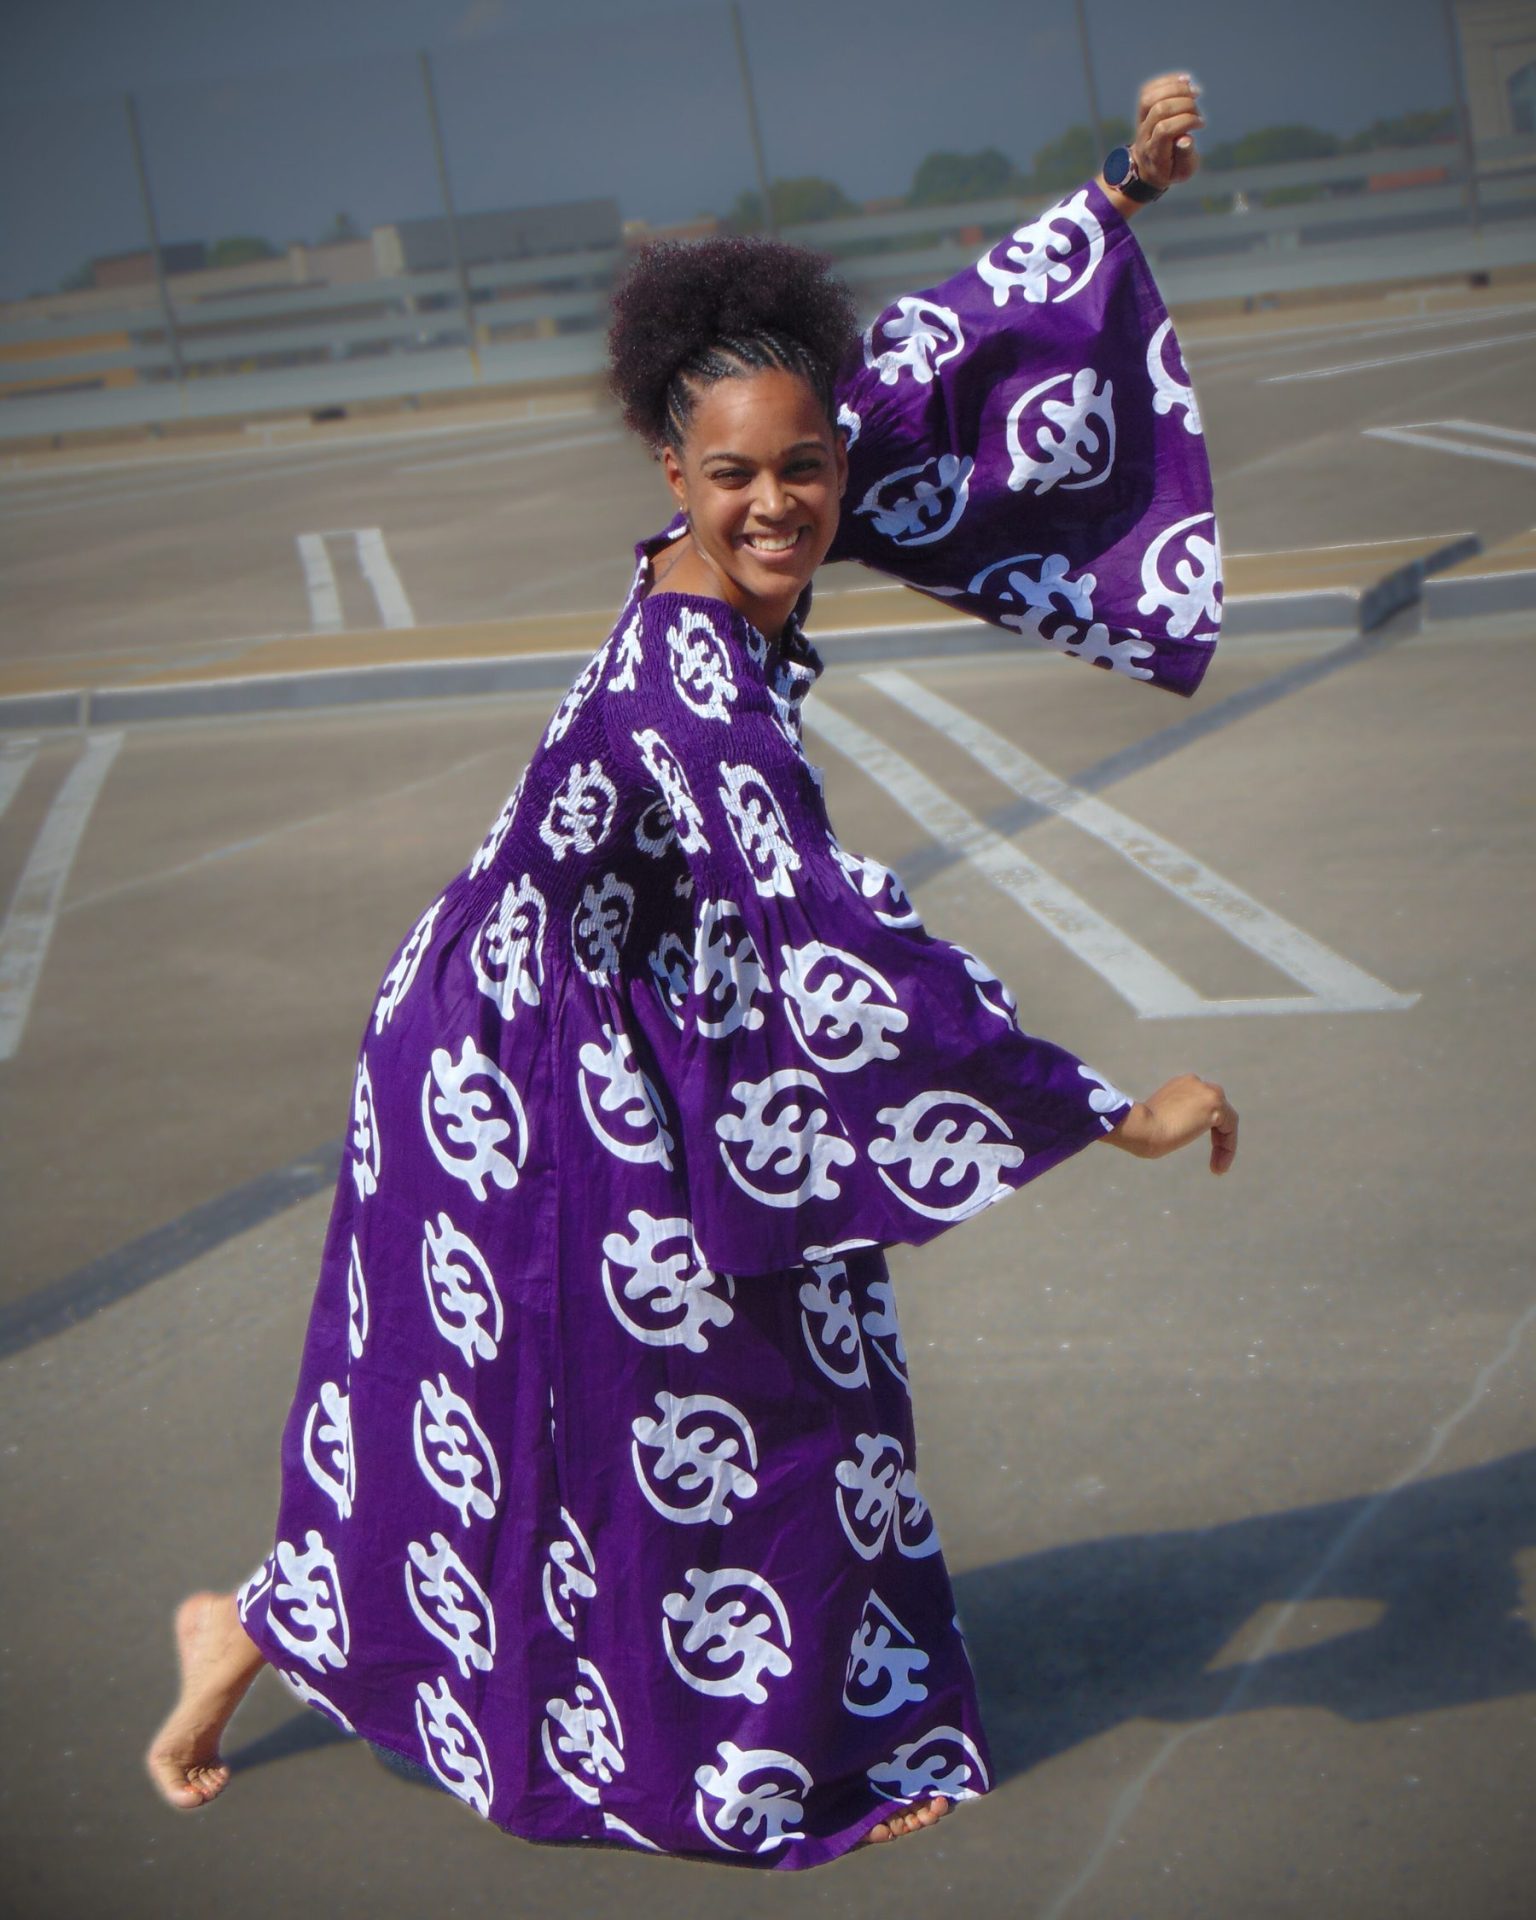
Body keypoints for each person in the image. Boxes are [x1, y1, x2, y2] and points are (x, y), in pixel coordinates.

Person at [147, 72, 1236, 1865]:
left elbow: (941, 351)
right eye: (733, 474)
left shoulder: (791, 468)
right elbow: (829, 931)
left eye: (805, 466)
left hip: (619, 1015)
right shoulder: (696, 682)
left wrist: (1120, 194)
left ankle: (260, 1629)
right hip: (510, 1056)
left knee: (607, 1381)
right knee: (660, 1391)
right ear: (674, 470)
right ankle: (751, 1748)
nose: (782, 502)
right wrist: (1101, 1110)